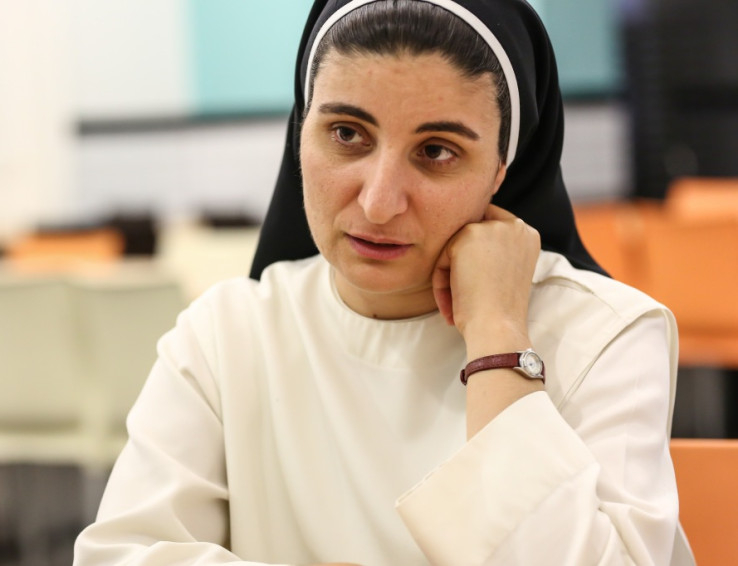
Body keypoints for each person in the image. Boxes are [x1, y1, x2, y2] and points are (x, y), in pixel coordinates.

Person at [74, 1, 695, 564]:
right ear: (301, 135)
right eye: (347, 135)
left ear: (501, 171)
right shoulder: (226, 334)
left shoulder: (604, 336)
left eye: (437, 151)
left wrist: (498, 337)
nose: (378, 202)